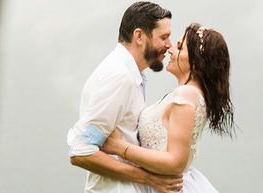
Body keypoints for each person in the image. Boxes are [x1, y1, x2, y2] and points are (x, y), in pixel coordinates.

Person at [100, 23, 234, 193]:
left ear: (195, 60)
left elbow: (175, 161)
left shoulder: (185, 95)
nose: (170, 49)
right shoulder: (194, 95)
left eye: (179, 47)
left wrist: (119, 147)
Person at [67, 2, 182, 193]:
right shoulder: (121, 77)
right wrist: (149, 179)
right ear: (139, 36)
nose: (169, 45)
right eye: (164, 37)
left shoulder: (128, 74)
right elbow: (81, 151)